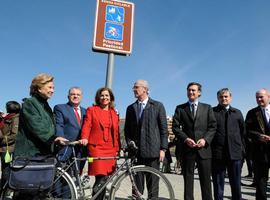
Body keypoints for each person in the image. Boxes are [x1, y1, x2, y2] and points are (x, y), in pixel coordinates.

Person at [13, 73, 67, 199]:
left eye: (53, 88)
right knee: (27, 191)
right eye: (49, 87)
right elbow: (37, 126)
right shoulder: (30, 103)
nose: (52, 90)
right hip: (30, 154)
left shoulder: (45, 105)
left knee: (39, 190)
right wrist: (53, 139)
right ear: (38, 88)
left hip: (41, 153)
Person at [124, 79, 168, 199]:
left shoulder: (158, 106)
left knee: (153, 185)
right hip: (136, 153)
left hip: (153, 152)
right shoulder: (130, 108)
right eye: (134, 87)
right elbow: (127, 130)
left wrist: (163, 149)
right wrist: (129, 143)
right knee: (136, 187)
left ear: (145, 89)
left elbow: (164, 129)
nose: (134, 89)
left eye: (136, 87)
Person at [172, 82, 216, 200]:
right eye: (189, 90)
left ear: (199, 93)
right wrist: (185, 139)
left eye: (193, 90)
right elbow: (175, 127)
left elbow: (212, 127)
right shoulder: (180, 108)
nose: (191, 92)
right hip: (187, 149)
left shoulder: (207, 108)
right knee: (188, 180)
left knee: (206, 181)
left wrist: (205, 140)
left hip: (204, 150)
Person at [80, 87, 120, 200]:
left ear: (111, 97)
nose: (104, 97)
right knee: (100, 177)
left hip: (110, 148)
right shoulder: (92, 110)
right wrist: (84, 138)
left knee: (106, 177)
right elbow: (87, 125)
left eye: (107, 95)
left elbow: (116, 132)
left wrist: (118, 148)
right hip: (97, 147)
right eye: (102, 95)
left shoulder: (114, 112)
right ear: (98, 97)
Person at [211, 88, 245, 200]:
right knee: (218, 184)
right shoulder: (212, 112)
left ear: (230, 97)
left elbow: (243, 133)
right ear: (217, 98)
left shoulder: (237, 113)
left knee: (236, 184)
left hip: (235, 154)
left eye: (226, 96)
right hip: (218, 155)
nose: (223, 99)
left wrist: (243, 152)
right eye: (221, 97)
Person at [245, 88, 270, 200]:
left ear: (268, 97)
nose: (259, 99)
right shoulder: (252, 113)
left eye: (261, 97)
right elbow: (247, 130)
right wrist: (259, 136)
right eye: (257, 97)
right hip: (259, 153)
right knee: (261, 183)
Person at [54, 87, 87, 170]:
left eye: (78, 94)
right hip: (66, 146)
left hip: (81, 147)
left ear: (81, 97)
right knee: (62, 175)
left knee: (78, 174)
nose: (75, 96)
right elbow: (59, 124)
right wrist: (60, 137)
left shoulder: (86, 111)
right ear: (68, 96)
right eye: (73, 94)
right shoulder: (60, 108)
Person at [0, 101, 21, 191]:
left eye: (7, 106)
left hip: (8, 148)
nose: (6, 108)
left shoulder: (15, 118)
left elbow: (14, 135)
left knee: (6, 169)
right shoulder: (8, 117)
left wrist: (2, 140)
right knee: (4, 168)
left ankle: (6, 189)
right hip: (4, 147)